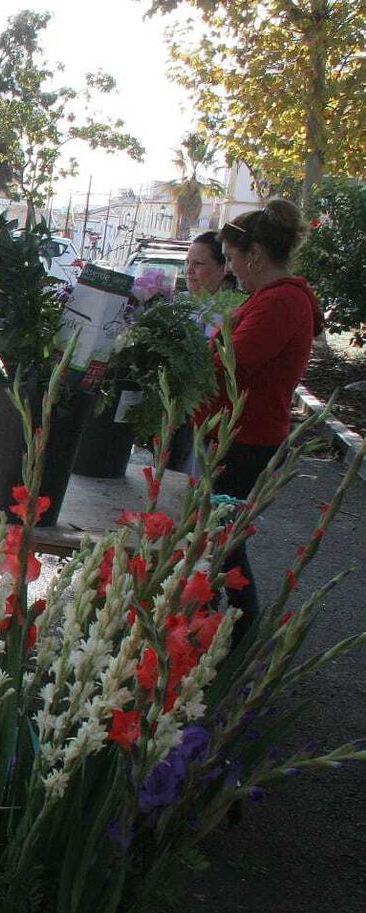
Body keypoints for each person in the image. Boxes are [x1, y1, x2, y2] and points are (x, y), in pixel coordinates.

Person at [203, 200, 324, 643]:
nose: (230, 269)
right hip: (242, 432)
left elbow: (232, 364)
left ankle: (236, 635)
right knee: (220, 538)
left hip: (247, 438)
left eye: (231, 258)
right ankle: (220, 628)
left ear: (254, 254)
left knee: (224, 541)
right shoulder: (274, 299)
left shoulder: (281, 302)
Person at [185, 231, 238, 296]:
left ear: (223, 269)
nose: (188, 270)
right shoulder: (181, 299)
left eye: (198, 263)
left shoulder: (240, 301)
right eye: (187, 262)